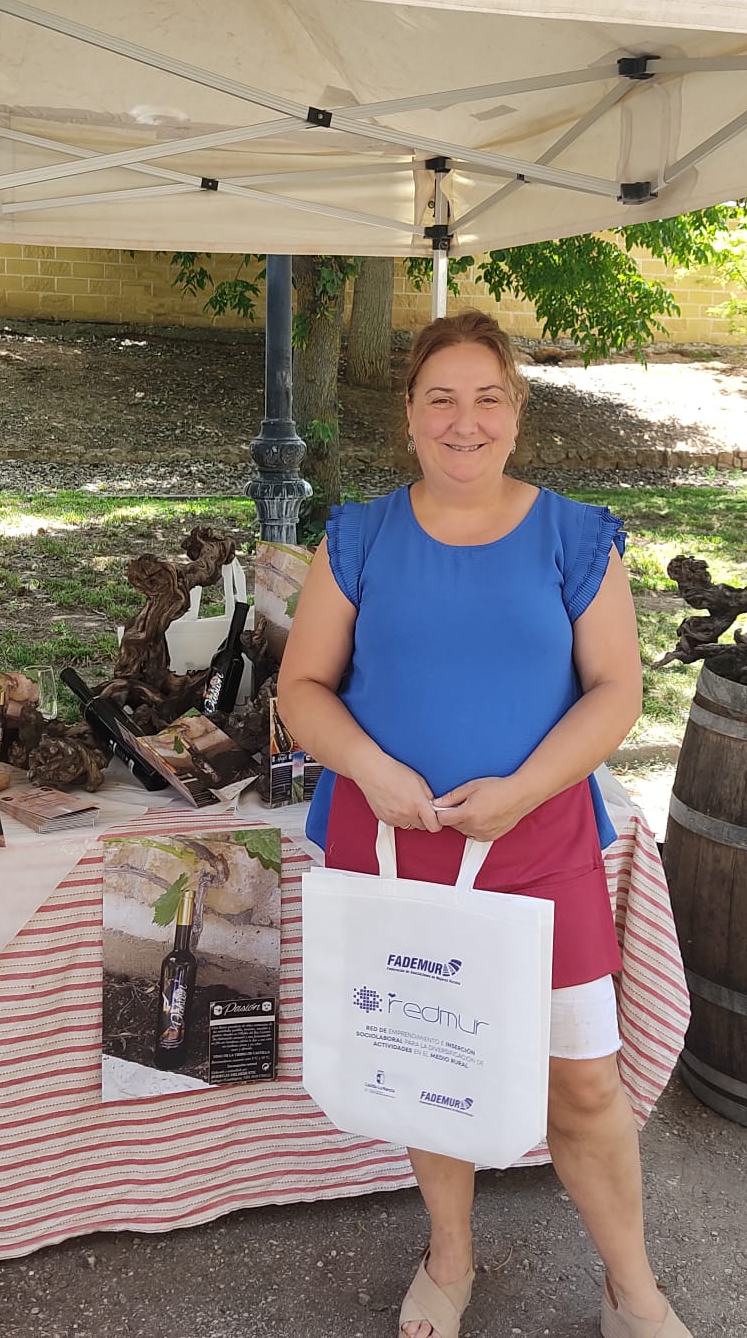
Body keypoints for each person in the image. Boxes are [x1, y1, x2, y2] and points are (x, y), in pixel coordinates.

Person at [280, 310, 693, 1338]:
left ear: (516, 412)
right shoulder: (358, 537)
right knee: (432, 1066)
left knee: (584, 1084)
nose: (463, 422)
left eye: (486, 399)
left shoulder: (575, 536)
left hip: (539, 847)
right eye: (441, 400)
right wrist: (370, 769)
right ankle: (450, 1253)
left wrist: (521, 790)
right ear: (409, 416)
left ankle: (630, 1286)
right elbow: (302, 689)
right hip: (390, 847)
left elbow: (614, 690)